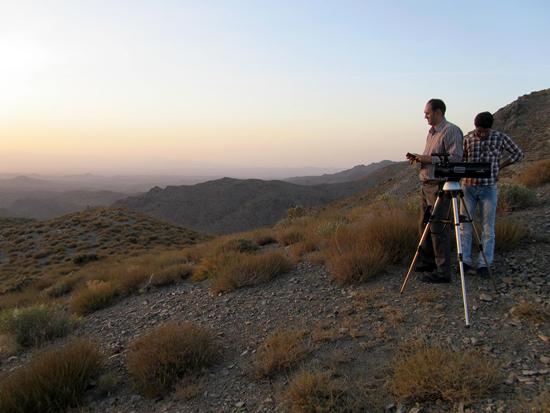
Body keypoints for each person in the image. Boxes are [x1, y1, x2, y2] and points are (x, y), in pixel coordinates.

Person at [460, 111, 523, 278]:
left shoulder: (500, 138)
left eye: (485, 132)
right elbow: (461, 159)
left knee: (488, 227)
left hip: (489, 187)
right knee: (465, 225)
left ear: (490, 128)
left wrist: (499, 167)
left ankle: (484, 263)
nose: (481, 134)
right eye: (479, 131)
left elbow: (518, 154)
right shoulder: (468, 139)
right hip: (469, 187)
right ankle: (464, 262)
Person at [406, 99, 463, 283]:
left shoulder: (451, 130)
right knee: (425, 225)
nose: (425, 116)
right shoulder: (432, 134)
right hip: (427, 185)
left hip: (440, 185)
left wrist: (429, 160)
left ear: (438, 112)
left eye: (427, 113)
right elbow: (433, 157)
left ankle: (442, 271)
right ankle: (429, 261)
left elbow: (455, 158)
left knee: (439, 228)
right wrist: (420, 159)